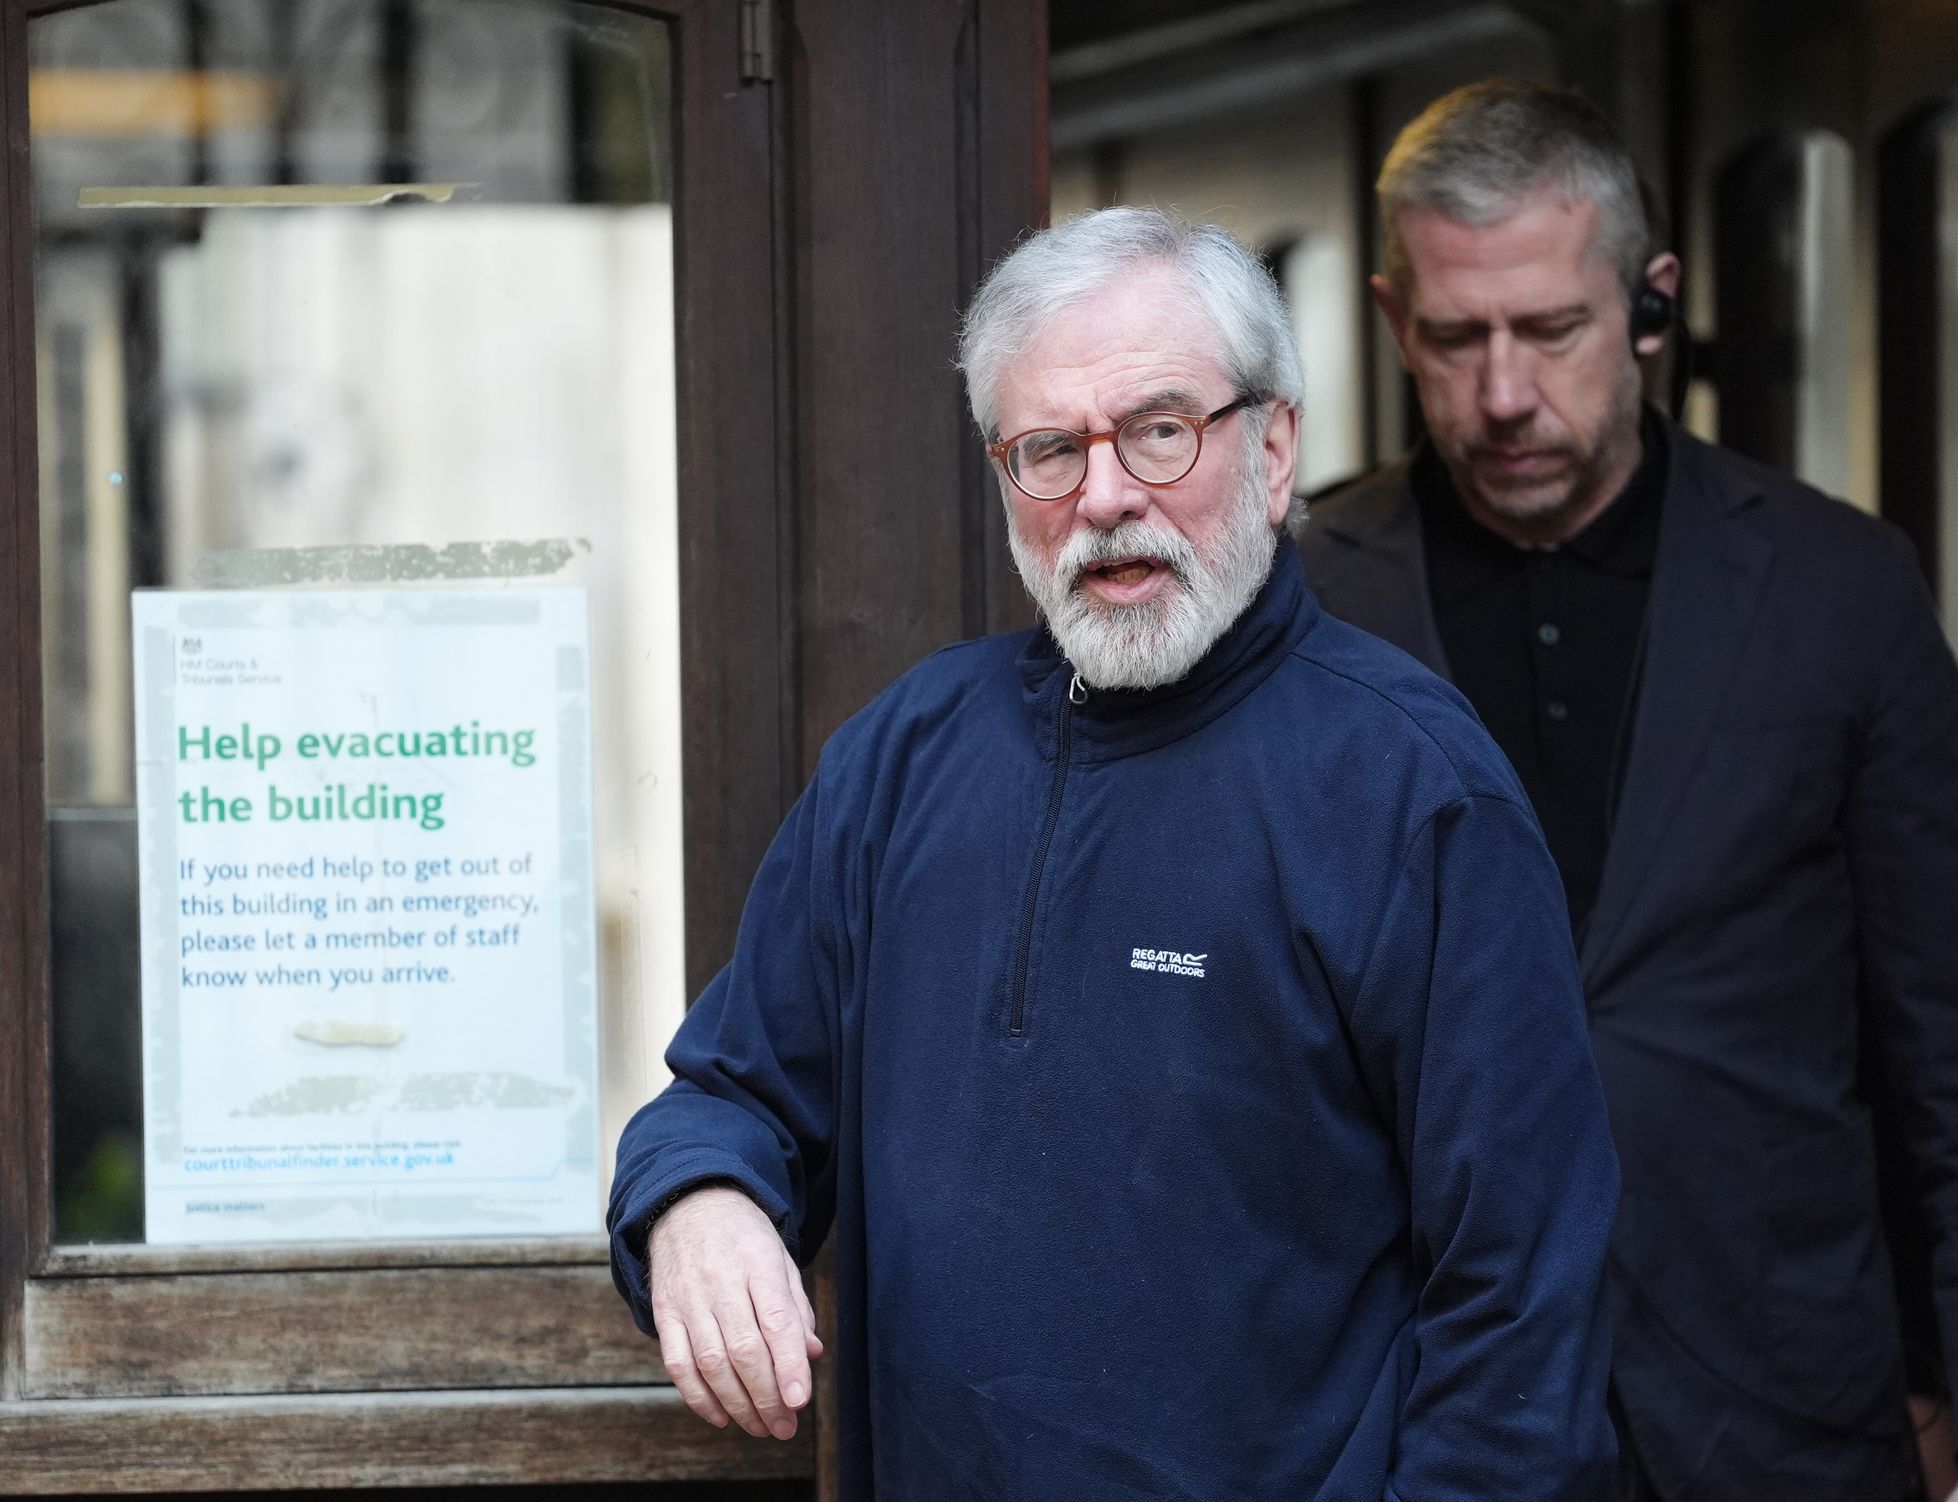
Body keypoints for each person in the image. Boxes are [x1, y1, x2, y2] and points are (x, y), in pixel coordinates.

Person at [608, 205, 1621, 1501]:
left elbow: (1524, 1323)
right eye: (1048, 448)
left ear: (1273, 447)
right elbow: (729, 1096)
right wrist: (695, 1200)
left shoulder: (1414, 795)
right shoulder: (904, 759)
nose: (1103, 496)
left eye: (1158, 430)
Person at [1301, 77, 1958, 1502]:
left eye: (1551, 329)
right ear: (1390, 320)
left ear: (1649, 302)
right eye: (1453, 338)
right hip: (1414, 1422)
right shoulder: (1300, 599)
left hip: (1783, 1410)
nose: (1503, 393)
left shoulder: (1839, 587)